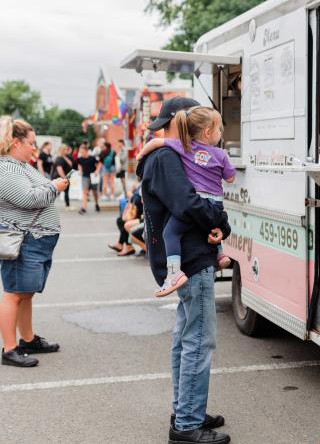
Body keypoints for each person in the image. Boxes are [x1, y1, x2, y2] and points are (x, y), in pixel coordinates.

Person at [136, 96, 231, 444]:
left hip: (188, 257)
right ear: (182, 120)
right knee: (197, 341)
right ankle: (187, 424)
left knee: (185, 337)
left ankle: (186, 409)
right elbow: (189, 203)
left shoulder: (167, 153)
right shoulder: (165, 158)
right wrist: (222, 221)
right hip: (191, 259)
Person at [0, 116, 69, 367]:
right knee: (13, 294)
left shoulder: (20, 165)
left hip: (33, 240)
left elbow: (37, 192)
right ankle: (9, 349)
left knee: (25, 294)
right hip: (23, 241)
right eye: (31, 143)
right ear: (15, 143)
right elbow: (29, 198)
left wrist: (52, 186)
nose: (35, 148)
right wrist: (55, 187)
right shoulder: (6, 169)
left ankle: (28, 339)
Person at [137, 106, 235, 297]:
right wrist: (223, 224)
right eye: (219, 129)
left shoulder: (182, 149)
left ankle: (173, 272)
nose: (221, 133)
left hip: (193, 256)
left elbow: (156, 142)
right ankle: (220, 253)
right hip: (215, 205)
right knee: (197, 324)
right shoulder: (221, 154)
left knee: (170, 233)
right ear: (208, 131)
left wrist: (140, 157)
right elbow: (230, 178)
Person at [109, 185, 143, 256]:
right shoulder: (140, 185)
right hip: (140, 213)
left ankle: (128, 247)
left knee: (123, 222)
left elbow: (137, 201)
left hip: (142, 216)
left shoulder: (143, 184)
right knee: (121, 220)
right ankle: (122, 244)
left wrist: (130, 194)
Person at [76, 144, 101, 215]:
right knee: (85, 192)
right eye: (80, 152)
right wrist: (80, 170)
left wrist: (97, 171)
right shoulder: (80, 159)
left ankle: (96, 204)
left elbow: (99, 164)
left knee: (94, 192)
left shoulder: (92, 158)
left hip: (93, 177)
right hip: (85, 177)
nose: (81, 153)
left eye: (83, 152)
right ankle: (84, 208)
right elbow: (79, 165)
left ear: (87, 151)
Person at [53, 145, 74, 210]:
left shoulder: (64, 157)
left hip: (64, 177)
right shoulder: (59, 158)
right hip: (60, 177)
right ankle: (67, 206)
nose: (67, 151)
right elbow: (59, 169)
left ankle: (67, 205)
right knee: (56, 192)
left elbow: (70, 164)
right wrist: (64, 178)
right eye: (65, 150)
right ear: (62, 150)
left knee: (62, 191)